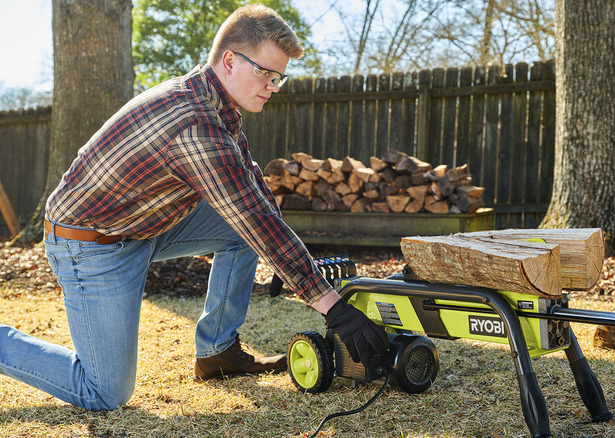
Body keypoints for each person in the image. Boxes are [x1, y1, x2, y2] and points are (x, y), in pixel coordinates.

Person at [0, 4, 388, 412]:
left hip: (141, 223)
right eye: (265, 73)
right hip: (90, 243)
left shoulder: (213, 98)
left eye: (279, 77)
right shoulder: (195, 126)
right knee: (105, 392)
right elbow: (253, 218)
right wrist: (331, 305)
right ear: (230, 60)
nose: (274, 85)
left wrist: (285, 262)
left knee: (248, 230)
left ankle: (216, 353)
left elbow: (252, 185)